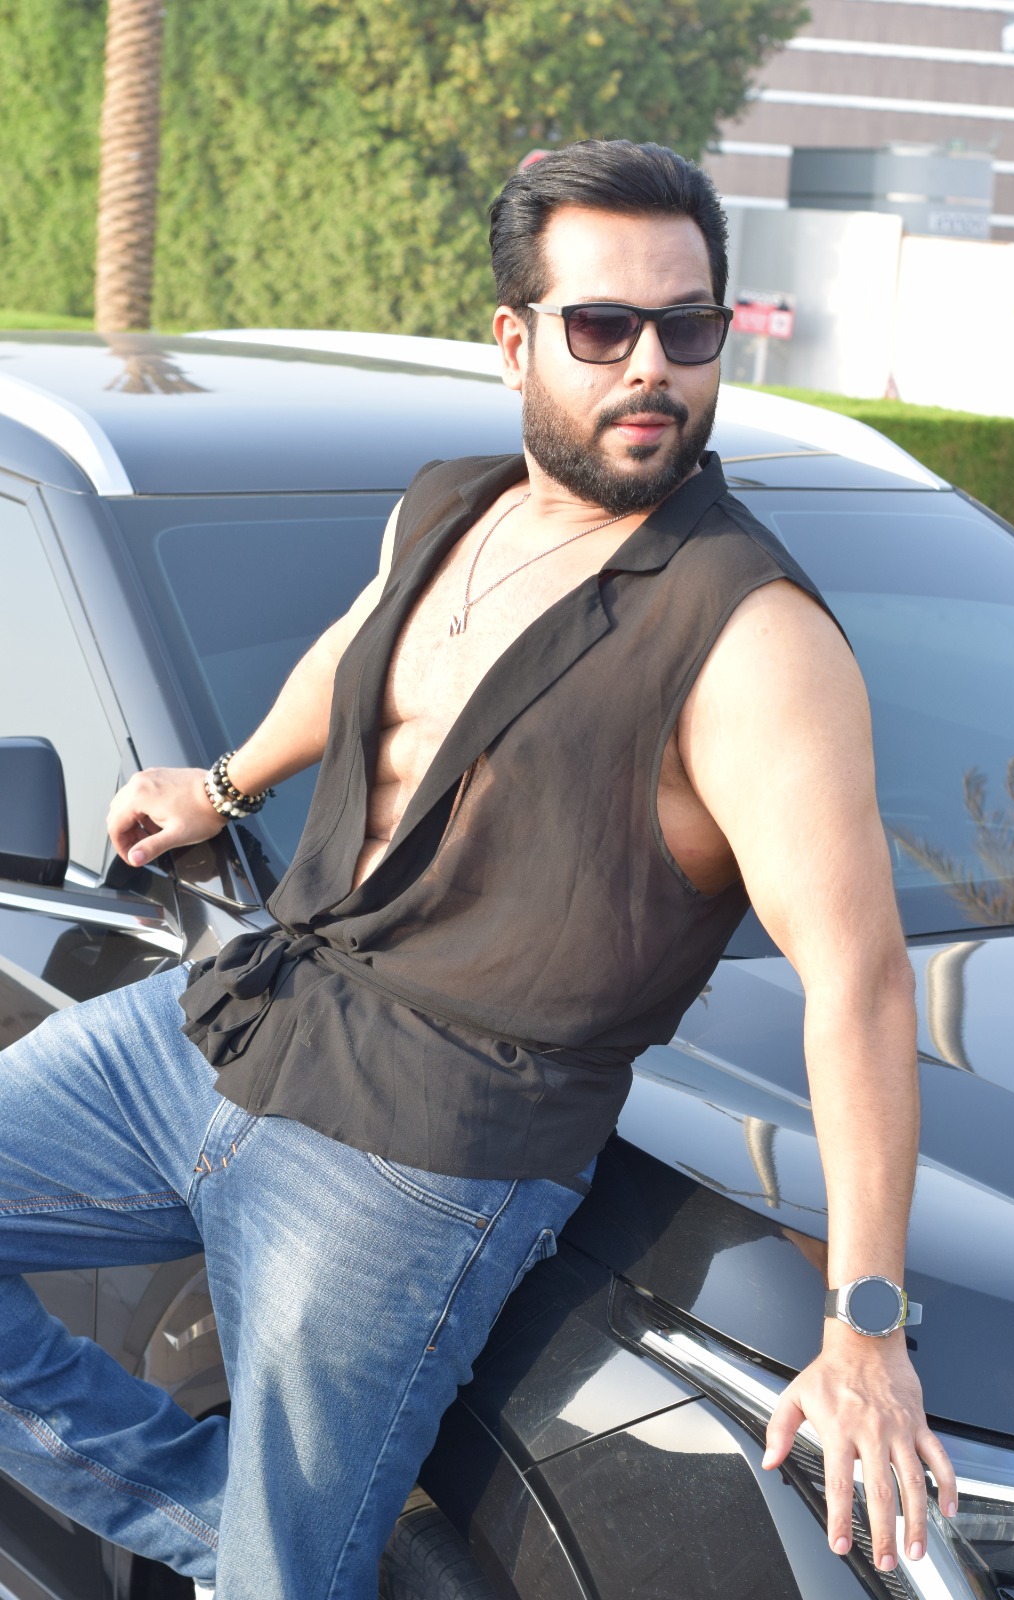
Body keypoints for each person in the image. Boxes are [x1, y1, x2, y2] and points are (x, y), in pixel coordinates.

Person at [0, 140, 956, 1598]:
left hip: (415, 1159)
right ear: (515, 341)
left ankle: (267, 1555)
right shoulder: (447, 507)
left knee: (284, 1579)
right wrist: (227, 783)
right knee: (271, 1556)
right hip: (237, 1018)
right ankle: (224, 1525)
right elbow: (366, 653)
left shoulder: (749, 636)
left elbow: (861, 981)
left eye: (687, 326)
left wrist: (867, 1326)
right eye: (604, 326)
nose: (652, 365)